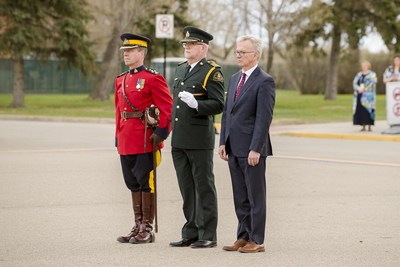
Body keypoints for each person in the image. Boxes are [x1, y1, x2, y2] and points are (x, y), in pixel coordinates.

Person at [218, 35, 275, 253]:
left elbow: (263, 118)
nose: (239, 55)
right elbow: (227, 114)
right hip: (233, 147)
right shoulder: (234, 79)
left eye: (243, 52)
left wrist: (256, 148)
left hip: (252, 150)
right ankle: (243, 236)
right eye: (237, 52)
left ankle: (257, 239)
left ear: (256, 55)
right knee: (240, 196)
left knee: (255, 196)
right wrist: (223, 140)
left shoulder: (264, 81)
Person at [169, 26, 225, 249]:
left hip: (199, 139)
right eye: (185, 44)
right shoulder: (181, 70)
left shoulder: (212, 72)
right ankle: (190, 231)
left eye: (191, 45)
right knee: (186, 188)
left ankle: (208, 233)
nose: (186, 48)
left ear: (202, 47)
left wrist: (197, 104)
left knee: (203, 187)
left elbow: (219, 104)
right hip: (180, 139)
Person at [115, 33, 173, 244]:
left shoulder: (152, 78)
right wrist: (117, 136)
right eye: (124, 51)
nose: (126, 54)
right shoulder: (120, 79)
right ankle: (137, 224)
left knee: (145, 183)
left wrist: (161, 133)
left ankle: (147, 228)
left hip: (145, 140)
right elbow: (118, 111)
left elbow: (167, 109)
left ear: (141, 53)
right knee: (132, 183)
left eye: (130, 51)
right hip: (126, 140)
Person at [352, 60, 377, 132]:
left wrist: (365, 89)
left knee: (368, 110)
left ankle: (369, 126)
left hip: (368, 97)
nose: (364, 67)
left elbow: (373, 83)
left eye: (365, 66)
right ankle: (363, 126)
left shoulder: (372, 74)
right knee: (361, 110)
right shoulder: (359, 74)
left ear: (368, 66)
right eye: (362, 66)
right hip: (359, 95)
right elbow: (354, 83)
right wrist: (358, 88)